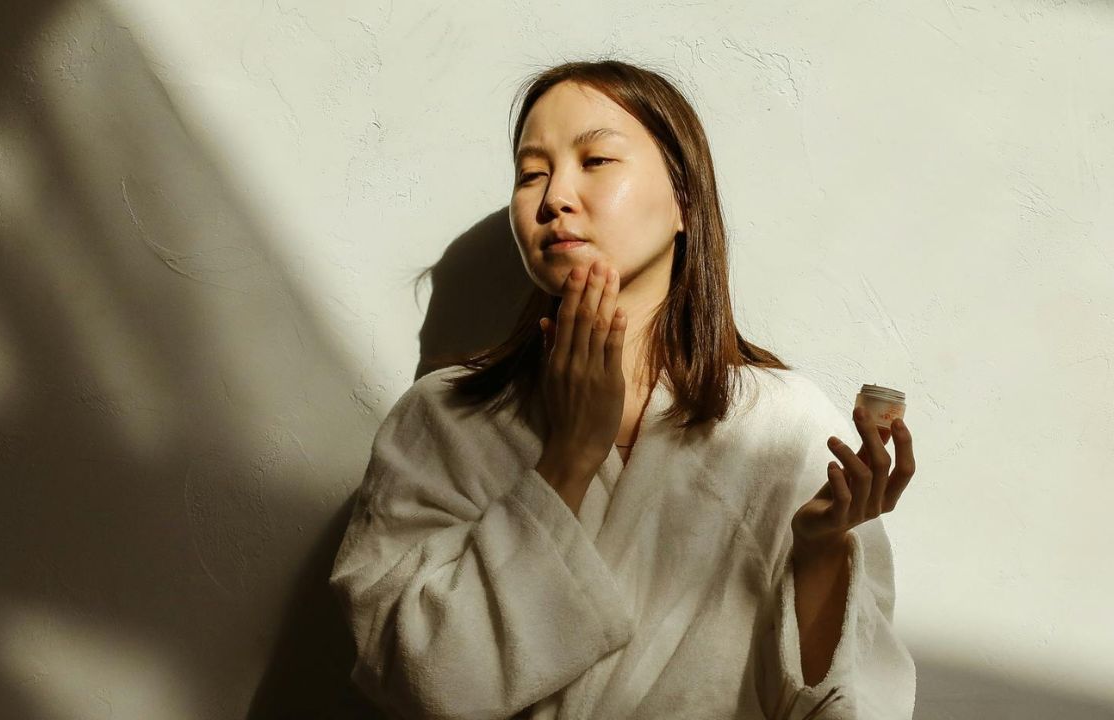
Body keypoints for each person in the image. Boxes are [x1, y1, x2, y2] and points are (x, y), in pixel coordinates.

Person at [329, 59, 918, 720]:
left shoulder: (785, 427)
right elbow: (421, 684)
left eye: (597, 161)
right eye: (531, 173)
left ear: (684, 200)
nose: (555, 198)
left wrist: (819, 556)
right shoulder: (443, 417)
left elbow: (850, 707)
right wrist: (569, 459)